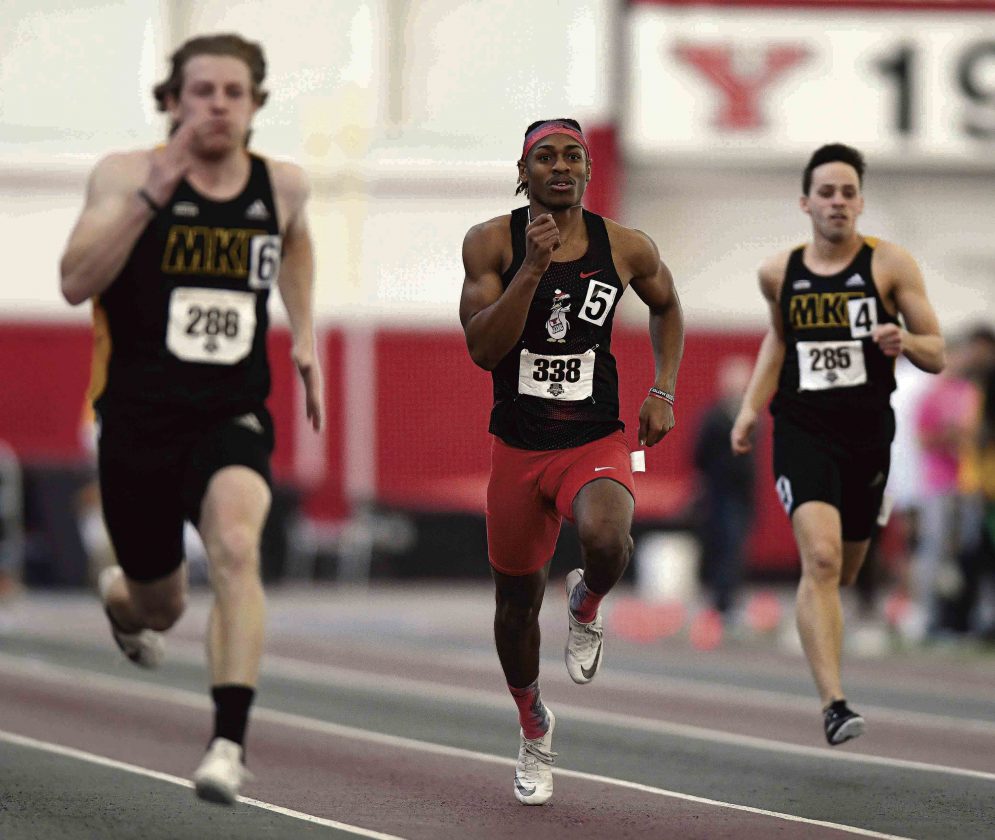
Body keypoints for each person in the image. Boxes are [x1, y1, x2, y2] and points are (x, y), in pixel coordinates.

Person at [59, 33, 322, 804]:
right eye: (202, 91)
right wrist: (152, 196)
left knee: (236, 547)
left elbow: (296, 243)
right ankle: (122, 597)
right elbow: (75, 281)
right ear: (172, 101)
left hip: (229, 411)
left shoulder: (282, 185)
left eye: (233, 93)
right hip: (137, 419)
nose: (217, 106)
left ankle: (227, 745)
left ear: (255, 105)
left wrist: (304, 332)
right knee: (161, 605)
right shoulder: (124, 175)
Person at [459, 118, 684, 805]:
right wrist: (531, 267)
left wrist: (662, 389)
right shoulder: (492, 242)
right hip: (518, 450)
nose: (560, 167)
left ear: (587, 170)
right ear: (522, 172)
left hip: (594, 439)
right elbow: (483, 350)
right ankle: (533, 724)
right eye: (545, 157)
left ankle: (586, 599)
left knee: (607, 539)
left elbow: (667, 306)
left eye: (572, 156)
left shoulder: (628, 247)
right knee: (515, 606)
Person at [730, 144, 944, 746]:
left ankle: (833, 584)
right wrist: (749, 408)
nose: (838, 202)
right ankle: (834, 703)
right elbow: (779, 340)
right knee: (821, 560)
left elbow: (937, 351)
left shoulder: (890, 266)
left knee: (845, 571)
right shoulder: (779, 273)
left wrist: (905, 340)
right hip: (803, 428)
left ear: (861, 202)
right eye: (826, 192)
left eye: (848, 193)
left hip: (868, 436)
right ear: (806, 203)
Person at [692, 355, 756, 624]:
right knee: (723, 547)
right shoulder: (714, 417)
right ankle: (722, 603)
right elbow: (699, 454)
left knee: (735, 548)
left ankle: (728, 601)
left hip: (743, 494)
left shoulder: (751, 416)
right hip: (720, 493)